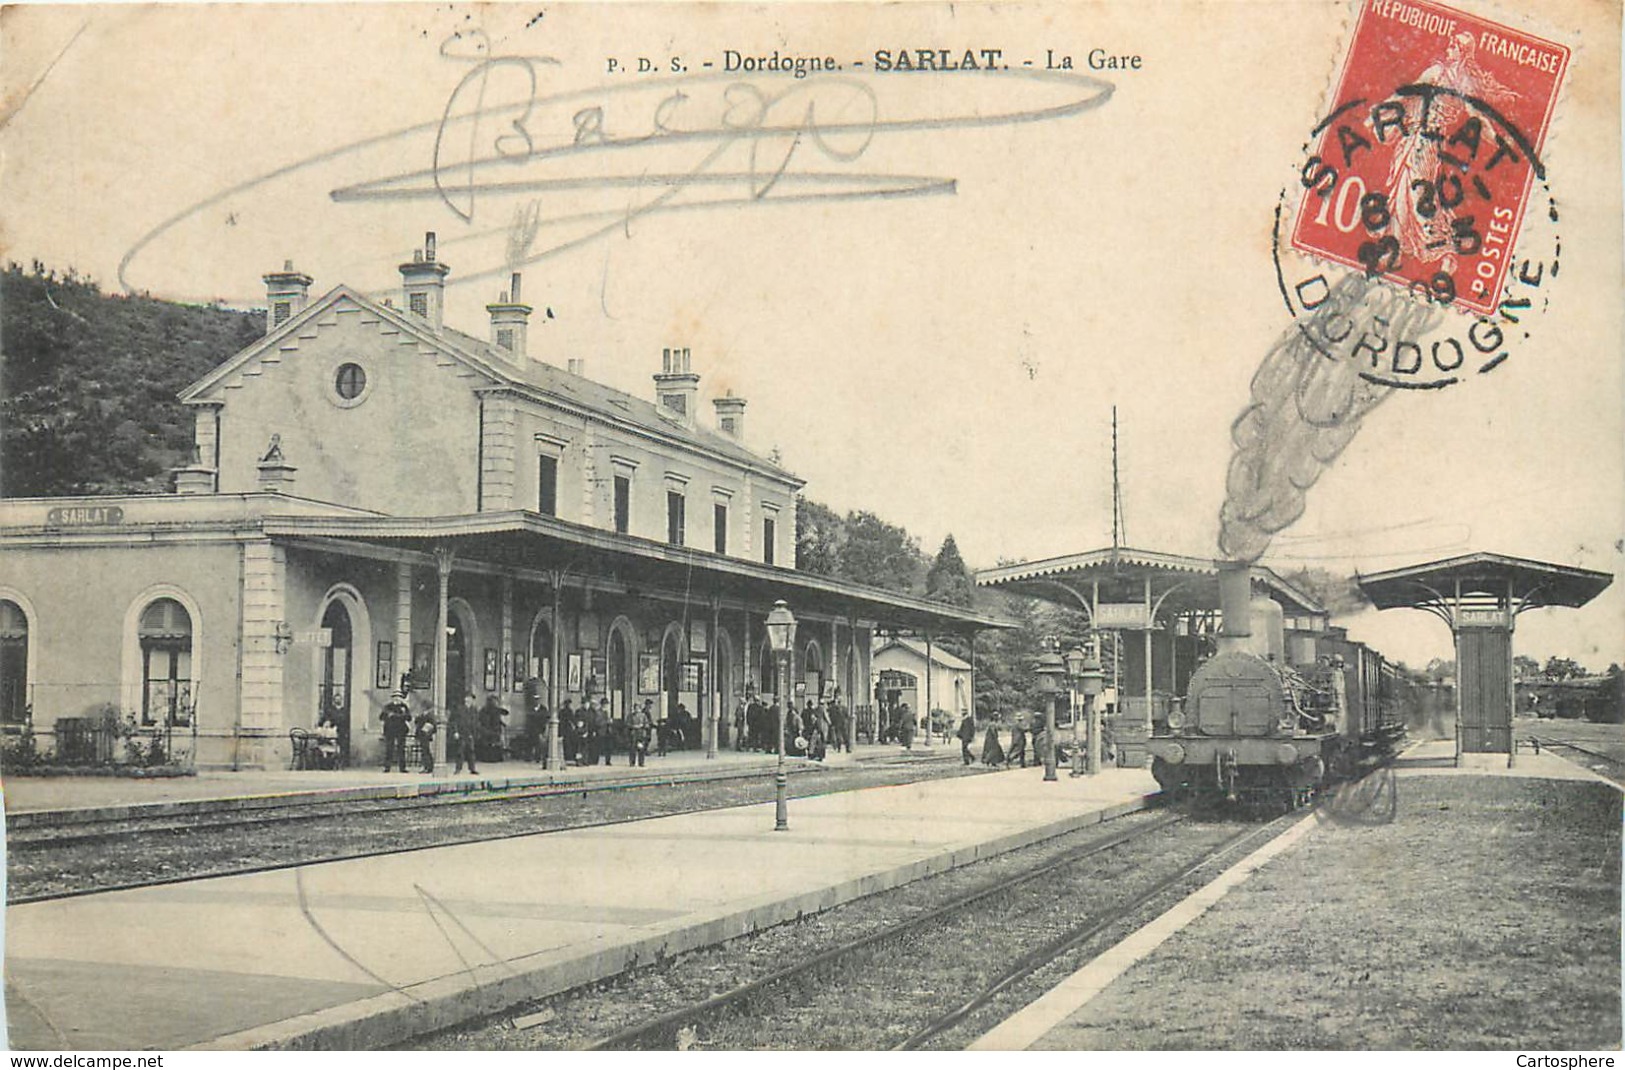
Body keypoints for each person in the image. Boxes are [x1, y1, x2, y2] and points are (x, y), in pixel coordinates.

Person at [381, 691, 412, 772]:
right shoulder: (388, 707)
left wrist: (402, 715)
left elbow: (409, 718)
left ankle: (402, 768)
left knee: (401, 749)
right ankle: (387, 767)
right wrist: (388, 716)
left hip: (401, 730)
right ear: (392, 698)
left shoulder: (404, 707)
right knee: (389, 749)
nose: (397, 698)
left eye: (399, 697)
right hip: (390, 730)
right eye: (395, 697)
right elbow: (381, 717)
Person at [452, 696, 480, 775]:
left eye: (470, 699)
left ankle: (472, 768)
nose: (469, 701)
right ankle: (458, 768)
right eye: (467, 699)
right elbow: (455, 721)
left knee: (471, 751)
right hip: (462, 733)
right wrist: (456, 732)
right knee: (460, 751)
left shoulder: (474, 710)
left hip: (470, 733)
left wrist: (474, 733)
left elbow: (476, 721)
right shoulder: (460, 709)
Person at [479, 692, 508, 763]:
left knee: (492, 744)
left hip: (492, 729)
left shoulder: (489, 709)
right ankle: (492, 758)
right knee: (492, 744)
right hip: (491, 729)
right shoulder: (490, 710)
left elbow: (505, 713)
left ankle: (491, 758)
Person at [413, 704, 438, 774]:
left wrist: (428, 731)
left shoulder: (430, 716)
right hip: (421, 735)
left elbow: (434, 726)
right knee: (424, 751)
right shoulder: (422, 715)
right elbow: (417, 723)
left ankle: (428, 766)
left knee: (426, 751)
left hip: (426, 735)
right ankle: (427, 766)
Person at [628, 700, 653, 767]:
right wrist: (633, 726)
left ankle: (641, 762)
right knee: (632, 749)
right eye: (635, 708)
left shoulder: (643, 716)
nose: (637, 709)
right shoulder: (631, 716)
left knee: (641, 749)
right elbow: (628, 724)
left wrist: (642, 726)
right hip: (633, 734)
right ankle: (632, 762)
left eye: (638, 708)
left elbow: (647, 724)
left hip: (641, 734)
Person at [596, 699, 615, 765]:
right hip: (601, 731)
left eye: (607, 704)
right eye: (605, 704)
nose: (606, 706)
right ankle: (595, 760)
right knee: (599, 747)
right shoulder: (598, 712)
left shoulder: (607, 712)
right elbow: (597, 722)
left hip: (608, 731)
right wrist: (606, 722)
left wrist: (611, 722)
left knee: (609, 747)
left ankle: (608, 761)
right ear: (601, 704)